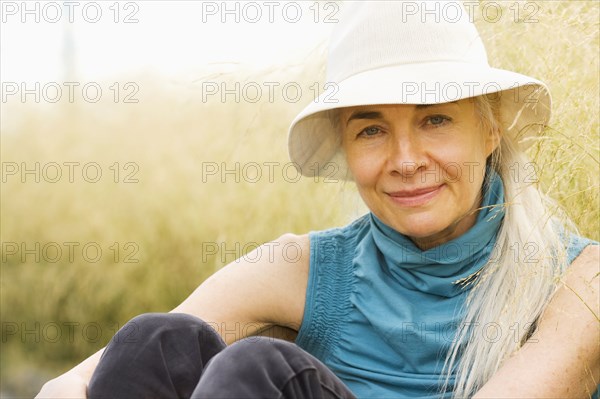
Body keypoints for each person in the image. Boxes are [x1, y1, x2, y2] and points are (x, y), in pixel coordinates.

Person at [36, 1, 599, 398]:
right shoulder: (312, 268)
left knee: (262, 372)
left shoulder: (577, 278)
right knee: (151, 340)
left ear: (490, 130)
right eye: (371, 130)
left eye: (435, 119)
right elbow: (82, 378)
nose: (405, 160)